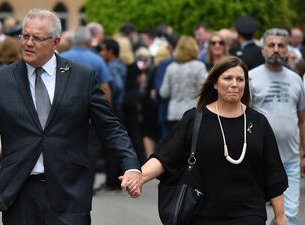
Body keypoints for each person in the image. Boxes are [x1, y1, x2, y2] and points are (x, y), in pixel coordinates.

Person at [0, 9, 142, 225]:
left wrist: (130, 165)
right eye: (25, 36)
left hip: (69, 190)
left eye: (37, 38)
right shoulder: (2, 80)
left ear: (55, 42)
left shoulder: (82, 78)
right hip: (20, 190)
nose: (28, 43)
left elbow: (109, 127)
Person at [125, 56, 290, 225]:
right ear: (215, 83)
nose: (234, 84)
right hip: (202, 213)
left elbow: (273, 171)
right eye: (227, 78)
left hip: (249, 213)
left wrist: (280, 216)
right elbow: (165, 156)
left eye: (240, 79)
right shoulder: (195, 119)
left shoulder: (258, 122)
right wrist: (139, 177)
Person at [249, 28, 305, 225]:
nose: (276, 49)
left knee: (288, 218)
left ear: (287, 49)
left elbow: (302, 120)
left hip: (290, 160)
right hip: (258, 160)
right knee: (255, 216)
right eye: (271, 45)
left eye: (281, 45)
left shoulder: (297, 80)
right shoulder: (250, 77)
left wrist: (303, 154)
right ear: (263, 49)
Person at [159, 35, 207, 130]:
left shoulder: (171, 67)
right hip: (193, 112)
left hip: (174, 114)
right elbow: (204, 89)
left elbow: (164, 93)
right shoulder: (199, 66)